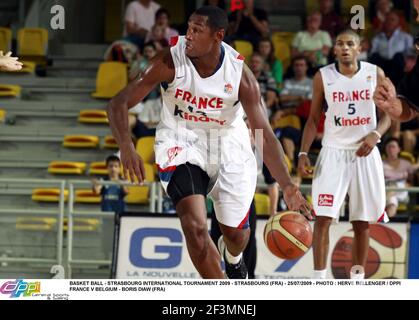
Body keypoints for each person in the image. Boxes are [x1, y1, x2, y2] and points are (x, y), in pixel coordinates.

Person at [107, 6, 311, 279]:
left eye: (196, 30)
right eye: (188, 28)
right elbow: (118, 103)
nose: (188, 35)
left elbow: (265, 133)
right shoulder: (169, 61)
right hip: (181, 140)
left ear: (218, 36)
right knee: (194, 225)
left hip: (229, 144)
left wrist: (287, 185)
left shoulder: (240, 75)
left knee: (237, 235)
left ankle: (233, 256)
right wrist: (126, 146)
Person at [298, 29, 391, 279]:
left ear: (359, 48)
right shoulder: (323, 76)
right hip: (333, 152)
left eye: (350, 44)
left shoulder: (375, 74)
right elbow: (313, 118)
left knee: (361, 222)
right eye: (340, 44)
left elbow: (388, 116)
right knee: (323, 219)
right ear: (334, 49)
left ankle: (356, 283)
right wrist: (303, 153)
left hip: (365, 152)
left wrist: (376, 134)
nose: (345, 48)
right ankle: (319, 281)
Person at [373, 0, 419, 122]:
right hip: (385, 69)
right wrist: (391, 104)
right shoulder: (378, 37)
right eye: (416, 12)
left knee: (398, 57)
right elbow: (411, 107)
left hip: (399, 68)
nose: (418, 19)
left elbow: (409, 56)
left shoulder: (406, 37)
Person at [92, 155, 129, 260]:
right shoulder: (103, 180)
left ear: (119, 168)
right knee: (106, 240)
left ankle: (118, 261)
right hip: (106, 216)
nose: (113, 169)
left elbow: (127, 191)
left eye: (116, 166)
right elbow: (97, 191)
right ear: (107, 168)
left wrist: (121, 183)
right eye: (111, 166)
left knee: (119, 238)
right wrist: (96, 185)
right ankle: (106, 260)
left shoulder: (122, 180)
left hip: (119, 216)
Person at [383, 138, 419, 218]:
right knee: (392, 201)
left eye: (393, 147)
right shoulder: (380, 164)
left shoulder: (406, 163)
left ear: (399, 149)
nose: (391, 149)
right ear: (385, 149)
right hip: (386, 189)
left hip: (401, 190)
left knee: (394, 187)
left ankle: (383, 201)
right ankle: (391, 222)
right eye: (388, 147)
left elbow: (415, 170)